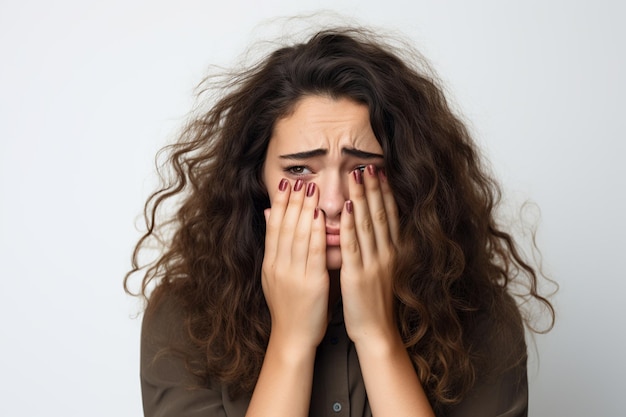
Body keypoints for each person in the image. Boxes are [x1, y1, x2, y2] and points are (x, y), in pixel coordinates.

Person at [125, 26, 555, 417]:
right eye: (299, 171)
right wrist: (290, 344)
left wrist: (378, 336)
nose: (332, 202)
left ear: (406, 181)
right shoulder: (182, 319)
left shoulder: (484, 320)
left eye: (362, 169)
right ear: (257, 180)